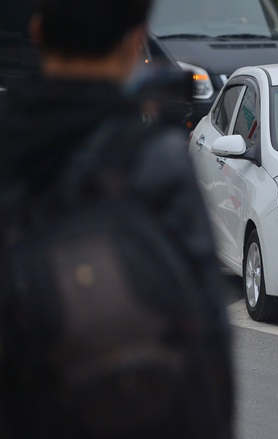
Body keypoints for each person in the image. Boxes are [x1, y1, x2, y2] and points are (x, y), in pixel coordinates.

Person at [0, 0, 233, 437]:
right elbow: (207, 329)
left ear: (36, 32)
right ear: (133, 43)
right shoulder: (154, 159)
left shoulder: (10, 148)